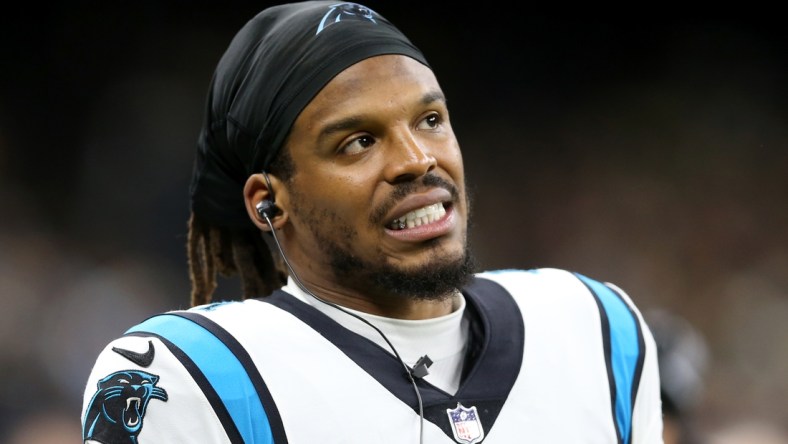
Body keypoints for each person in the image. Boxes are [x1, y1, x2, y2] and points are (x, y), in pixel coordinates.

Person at [81, 2, 664, 443]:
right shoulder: (193, 376)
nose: (417, 159)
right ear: (270, 201)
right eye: (359, 142)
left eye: (430, 119)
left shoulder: (595, 323)